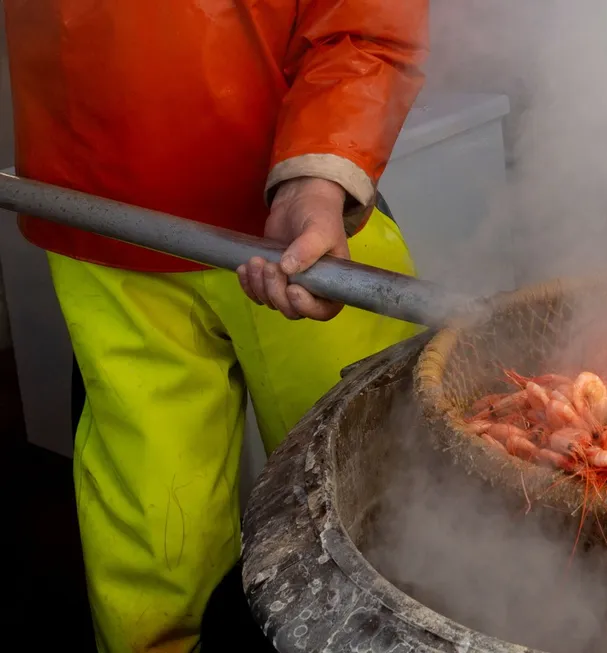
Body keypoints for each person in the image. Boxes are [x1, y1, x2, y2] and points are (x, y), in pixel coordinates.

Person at [4, 1, 428, 651]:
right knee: (154, 537)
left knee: (378, 508)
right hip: (107, 228)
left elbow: (363, 20)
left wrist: (316, 180)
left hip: (309, 233)